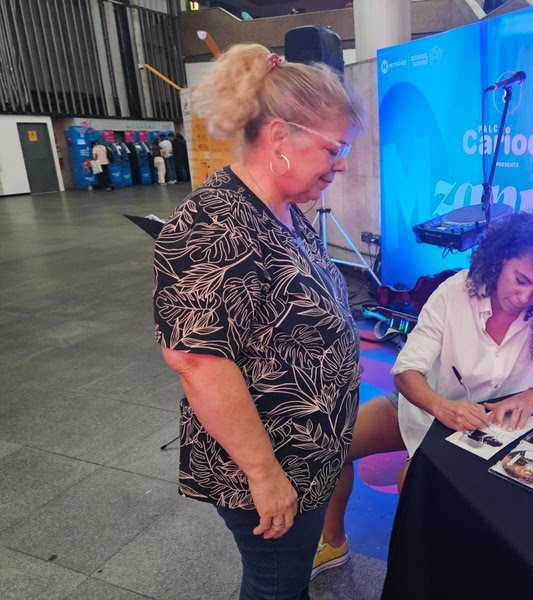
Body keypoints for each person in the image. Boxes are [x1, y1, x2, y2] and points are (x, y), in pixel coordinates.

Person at [153, 43, 365, 600]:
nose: (341, 163)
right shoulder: (211, 224)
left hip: (304, 452)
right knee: (275, 586)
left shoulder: (280, 208)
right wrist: (266, 476)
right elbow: (196, 361)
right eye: (333, 148)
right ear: (278, 139)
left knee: (285, 580)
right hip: (268, 468)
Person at [314, 210, 533, 576]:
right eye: (521, 280)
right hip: (429, 405)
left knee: (415, 480)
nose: (525, 296)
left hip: (499, 434)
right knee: (330, 445)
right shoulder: (456, 292)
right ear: (502, 258)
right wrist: (442, 407)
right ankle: (333, 543)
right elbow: (407, 371)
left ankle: (420, 575)